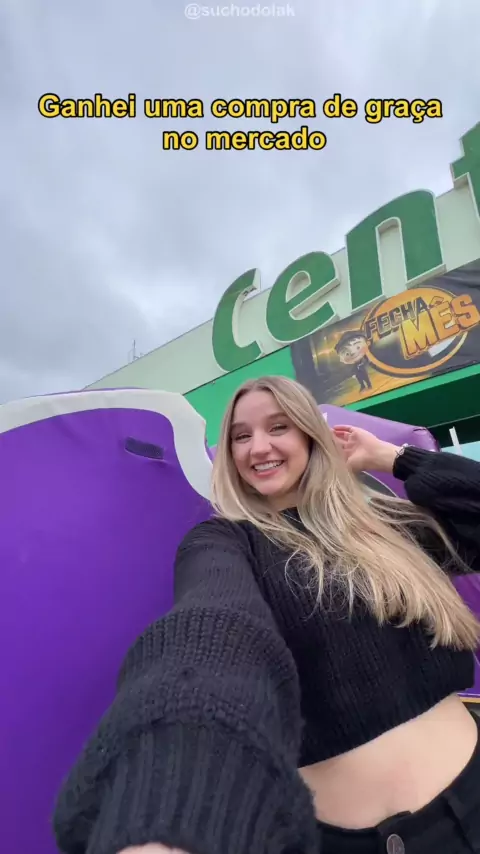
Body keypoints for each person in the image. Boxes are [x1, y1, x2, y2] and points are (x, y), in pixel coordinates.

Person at [53, 375, 480, 854]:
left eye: (279, 427)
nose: (258, 448)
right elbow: (211, 633)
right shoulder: (226, 542)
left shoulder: (383, 523)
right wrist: (165, 817)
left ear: (310, 436)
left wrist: (393, 458)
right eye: (241, 435)